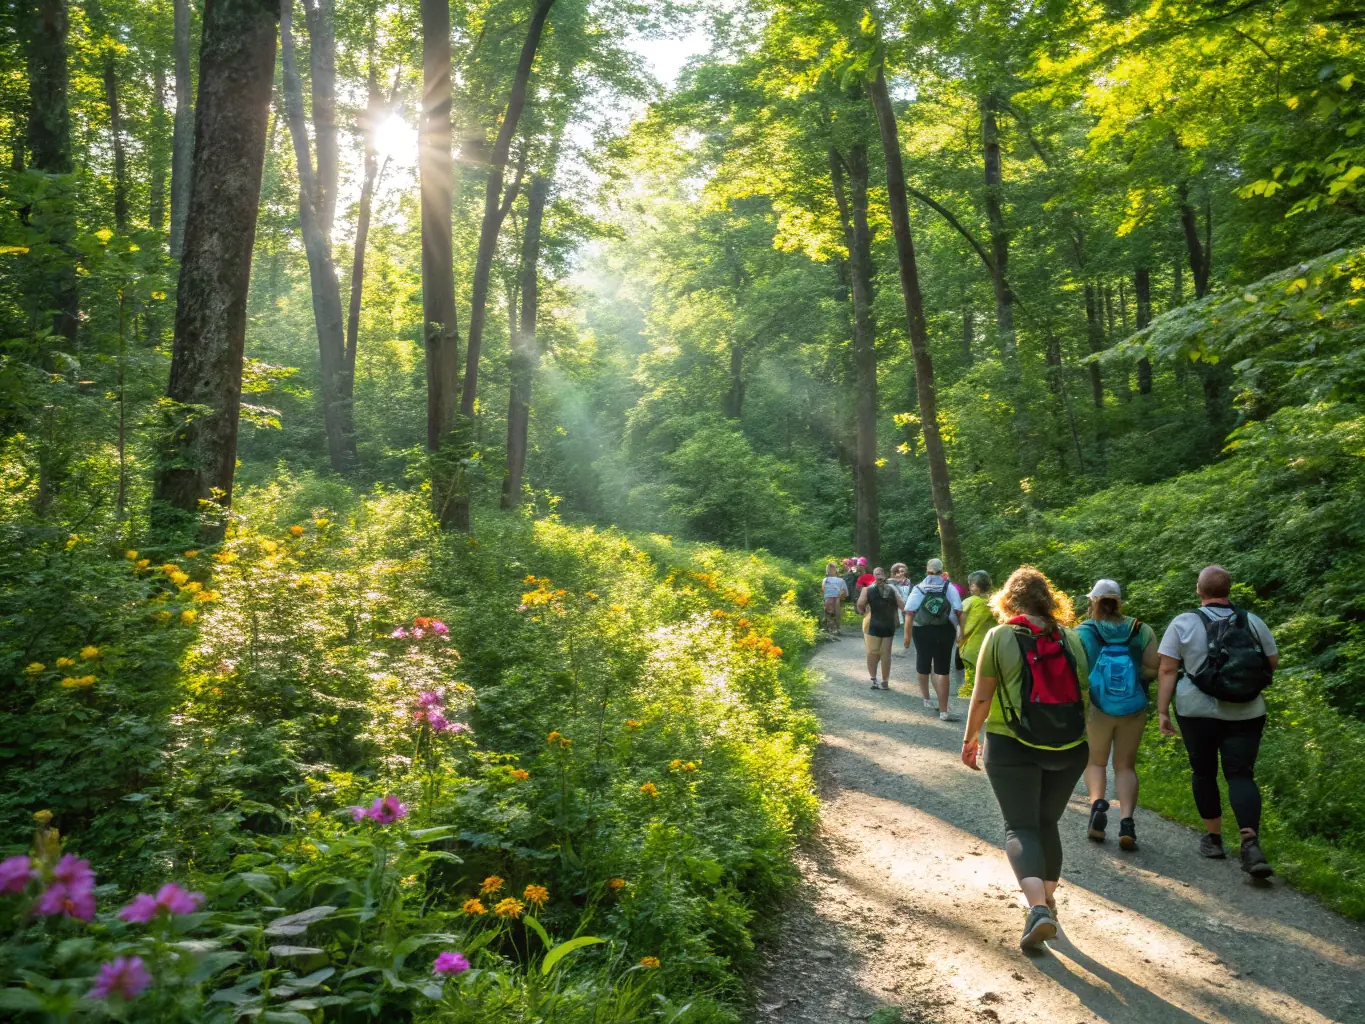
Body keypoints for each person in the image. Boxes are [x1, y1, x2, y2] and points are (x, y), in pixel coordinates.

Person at [960, 566, 1090, 950]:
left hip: (1012, 743)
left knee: (1020, 826)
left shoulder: (999, 636)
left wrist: (970, 739)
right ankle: (1048, 900)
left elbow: (982, 696)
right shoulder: (1072, 637)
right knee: (1046, 823)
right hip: (1070, 745)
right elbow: (1084, 690)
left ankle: (1037, 909)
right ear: (1051, 601)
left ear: (1007, 600)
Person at [1157, 565, 1278, 878]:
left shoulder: (1183, 622)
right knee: (1241, 775)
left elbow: (1168, 670)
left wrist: (1161, 711)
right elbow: (1272, 661)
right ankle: (1250, 844)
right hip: (1247, 711)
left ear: (1199, 590)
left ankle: (1214, 840)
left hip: (1195, 711)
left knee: (1204, 771)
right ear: (1229, 590)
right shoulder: (1252, 621)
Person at [1078, 579, 1158, 851]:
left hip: (1097, 708)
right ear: (1119, 600)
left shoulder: (1083, 631)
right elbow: (1155, 668)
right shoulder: (1142, 629)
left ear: (1093, 601)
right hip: (1132, 708)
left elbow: (1077, 671)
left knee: (1096, 762)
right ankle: (1127, 824)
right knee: (1125, 766)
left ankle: (1098, 807)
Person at [905, 557, 962, 721]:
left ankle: (927, 699)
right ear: (942, 571)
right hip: (945, 630)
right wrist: (960, 631)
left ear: (927, 570)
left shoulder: (919, 588)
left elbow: (909, 612)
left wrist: (907, 636)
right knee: (942, 669)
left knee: (923, 663)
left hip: (922, 630)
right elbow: (958, 609)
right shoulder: (949, 587)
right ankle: (944, 711)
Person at [857, 566, 905, 691]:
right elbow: (903, 606)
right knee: (877, 653)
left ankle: (882, 680)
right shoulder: (891, 589)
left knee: (880, 653)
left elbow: (860, 605)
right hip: (881, 623)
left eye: (879, 574)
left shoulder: (868, 589)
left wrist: (865, 612)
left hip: (877, 623)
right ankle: (877, 679)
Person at [958, 571, 995, 698]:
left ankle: (972, 695)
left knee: (971, 672)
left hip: (972, 644)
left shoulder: (969, 602)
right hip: (991, 645)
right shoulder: (995, 602)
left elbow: (962, 623)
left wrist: (960, 637)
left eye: (970, 585)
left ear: (974, 586)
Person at [821, 562, 849, 637]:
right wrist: (842, 597)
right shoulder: (840, 580)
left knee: (829, 614)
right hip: (837, 598)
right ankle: (837, 629)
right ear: (836, 570)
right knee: (837, 614)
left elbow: (823, 589)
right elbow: (844, 591)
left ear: (827, 571)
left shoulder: (825, 580)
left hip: (827, 599)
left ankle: (830, 629)